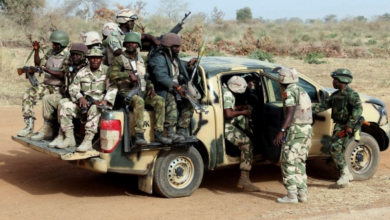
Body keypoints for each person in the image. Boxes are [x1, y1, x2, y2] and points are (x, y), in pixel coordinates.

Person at [109, 33, 172, 145]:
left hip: (142, 91)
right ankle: (139, 135)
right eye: (128, 43)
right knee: (139, 101)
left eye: (133, 42)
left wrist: (151, 88)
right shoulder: (119, 59)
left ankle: (158, 134)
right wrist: (127, 75)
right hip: (126, 93)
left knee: (159, 100)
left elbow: (147, 77)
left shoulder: (142, 60)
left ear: (138, 44)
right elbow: (111, 74)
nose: (131, 45)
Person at [55, 48, 116, 152]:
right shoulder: (82, 71)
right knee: (66, 107)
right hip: (85, 101)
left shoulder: (107, 71)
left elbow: (113, 87)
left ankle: (88, 141)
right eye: (92, 58)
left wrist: (105, 101)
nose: (95, 60)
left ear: (101, 59)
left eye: (97, 58)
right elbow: (73, 87)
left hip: (100, 103)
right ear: (88, 59)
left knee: (94, 109)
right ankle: (69, 138)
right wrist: (80, 97)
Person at [312, 68, 362, 188]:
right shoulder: (335, 95)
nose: (333, 82)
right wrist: (307, 112)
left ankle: (345, 174)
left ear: (342, 80)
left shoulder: (351, 94)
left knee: (335, 148)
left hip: (345, 127)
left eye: (335, 79)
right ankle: (346, 174)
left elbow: (358, 109)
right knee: (335, 148)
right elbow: (323, 106)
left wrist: (350, 125)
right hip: (339, 125)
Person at [31, 43, 89, 142]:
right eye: (73, 54)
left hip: (79, 99)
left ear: (83, 56)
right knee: (47, 99)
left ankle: (62, 134)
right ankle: (48, 129)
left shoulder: (86, 69)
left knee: (63, 103)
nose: (75, 56)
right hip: (68, 95)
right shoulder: (70, 66)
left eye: (78, 55)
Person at [18, 30, 69, 137]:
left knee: (51, 104)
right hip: (47, 85)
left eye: (55, 44)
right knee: (28, 93)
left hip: (59, 87)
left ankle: (52, 129)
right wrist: (36, 50)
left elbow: (63, 74)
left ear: (62, 44)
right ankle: (29, 126)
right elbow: (38, 64)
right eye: (53, 43)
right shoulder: (51, 52)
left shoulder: (68, 55)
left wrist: (46, 69)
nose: (53, 46)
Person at [273, 67, 313, 204]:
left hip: (296, 130)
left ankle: (291, 195)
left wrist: (282, 131)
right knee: (300, 161)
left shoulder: (288, 92)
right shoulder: (301, 90)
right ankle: (302, 193)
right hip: (306, 130)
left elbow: (290, 113)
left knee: (288, 161)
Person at [148, 33, 197, 143]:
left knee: (190, 99)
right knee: (172, 96)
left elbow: (179, 68)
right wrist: (177, 87)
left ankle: (181, 130)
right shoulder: (158, 59)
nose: (178, 49)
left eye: (179, 46)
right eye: (176, 47)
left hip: (175, 88)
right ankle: (170, 132)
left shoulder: (174, 58)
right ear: (168, 47)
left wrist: (189, 65)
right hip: (162, 90)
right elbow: (161, 77)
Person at [222, 75, 260, 192]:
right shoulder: (228, 95)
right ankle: (244, 179)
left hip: (223, 123)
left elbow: (227, 107)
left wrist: (240, 107)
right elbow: (228, 114)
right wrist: (244, 112)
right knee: (247, 144)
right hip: (225, 126)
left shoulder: (224, 90)